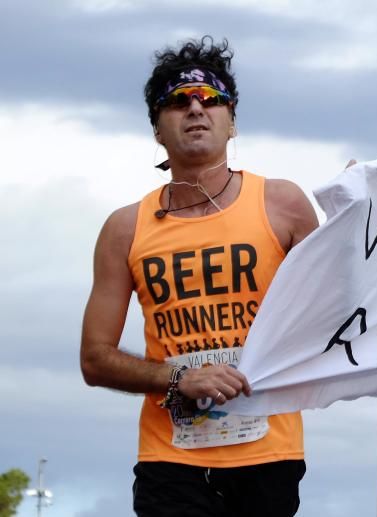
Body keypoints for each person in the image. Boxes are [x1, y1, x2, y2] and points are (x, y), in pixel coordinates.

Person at [80, 36, 319, 516]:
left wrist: (360, 217)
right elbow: (95, 359)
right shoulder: (125, 228)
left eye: (210, 99)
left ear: (231, 122)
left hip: (268, 453)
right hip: (169, 458)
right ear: (157, 128)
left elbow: (338, 306)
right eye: (177, 100)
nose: (195, 108)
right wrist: (179, 379)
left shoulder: (283, 204)